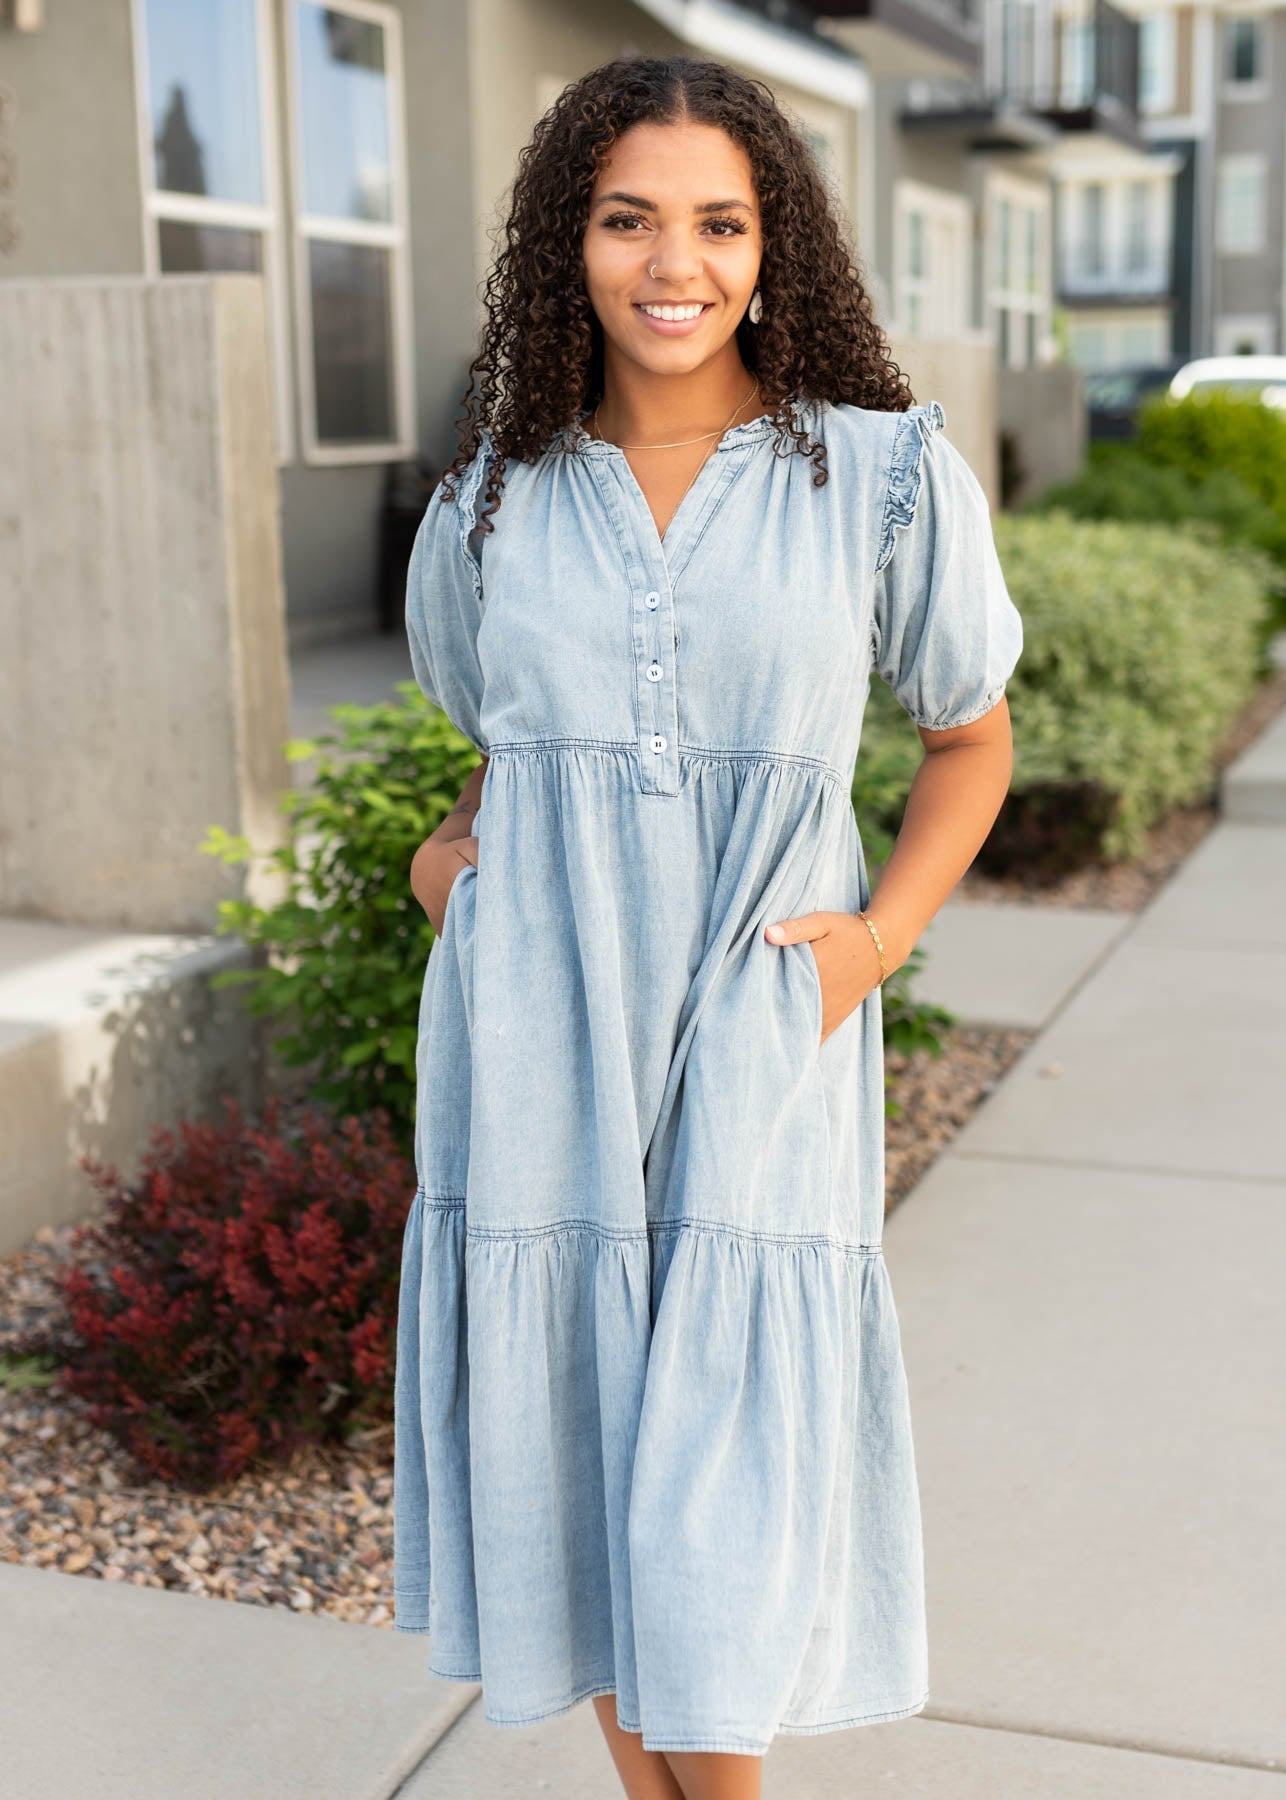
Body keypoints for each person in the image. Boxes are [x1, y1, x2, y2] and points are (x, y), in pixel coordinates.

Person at [393, 53, 1023, 1800]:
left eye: (719, 222)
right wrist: (451, 875)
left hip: (764, 1020)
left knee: (715, 1503)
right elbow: (493, 760)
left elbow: (970, 735)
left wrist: (869, 947)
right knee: (592, 1463)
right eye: (627, 218)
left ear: (773, 247)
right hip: (539, 1033)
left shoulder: (876, 476)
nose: (674, 263)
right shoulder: (493, 502)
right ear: (564, 242)